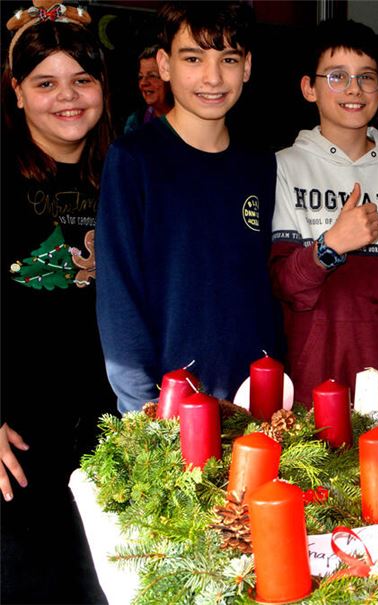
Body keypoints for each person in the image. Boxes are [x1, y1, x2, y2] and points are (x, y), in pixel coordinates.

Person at [96, 1, 282, 413]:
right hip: (167, 412)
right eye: (193, 58)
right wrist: (144, 411)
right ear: (164, 64)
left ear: (247, 66)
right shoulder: (134, 160)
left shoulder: (261, 164)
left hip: (256, 404)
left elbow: (262, 286)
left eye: (228, 59)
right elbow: (118, 298)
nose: (213, 78)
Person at [1, 12, 114, 602]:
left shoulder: (122, 175)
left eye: (82, 79)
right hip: (18, 441)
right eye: (46, 83)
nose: (67, 97)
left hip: (108, 432)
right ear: (17, 91)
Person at [270, 19, 378, 405]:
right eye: (337, 76)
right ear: (310, 88)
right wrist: (330, 246)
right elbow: (283, 287)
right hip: (311, 384)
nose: (354, 89)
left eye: (366, 77)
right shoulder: (284, 167)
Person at [123, 45, 173, 134]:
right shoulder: (135, 122)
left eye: (152, 76)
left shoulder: (192, 121)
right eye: (140, 77)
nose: (143, 83)